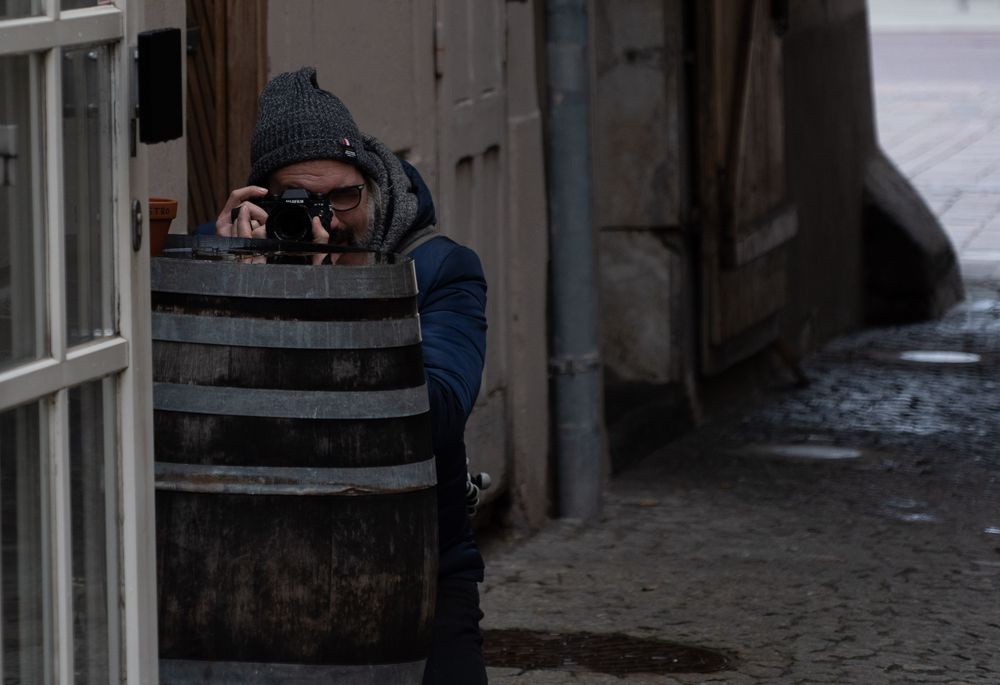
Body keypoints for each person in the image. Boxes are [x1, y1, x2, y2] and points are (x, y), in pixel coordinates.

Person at [211, 66, 489, 684]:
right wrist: (230, 285)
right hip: (258, 567)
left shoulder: (439, 270)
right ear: (263, 201)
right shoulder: (233, 260)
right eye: (302, 201)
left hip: (417, 566)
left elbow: (438, 413)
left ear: (372, 183)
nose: (330, 220)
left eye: (344, 196)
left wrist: (322, 299)